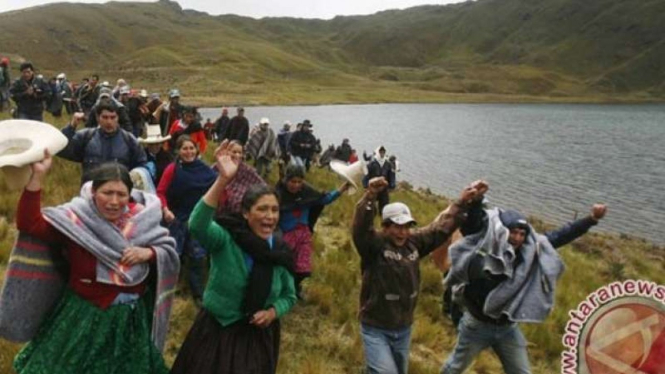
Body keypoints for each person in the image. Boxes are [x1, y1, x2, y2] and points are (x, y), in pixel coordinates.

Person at [1, 154, 179, 374]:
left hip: (129, 319)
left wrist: (149, 253)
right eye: (107, 193)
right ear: (94, 192)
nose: (114, 201)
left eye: (121, 194)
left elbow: (168, 250)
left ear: (129, 195)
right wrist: (37, 176)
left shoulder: (143, 221)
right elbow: (30, 223)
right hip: (83, 315)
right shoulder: (76, 220)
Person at [441, 197, 607, 374]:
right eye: (513, 232)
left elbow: (560, 236)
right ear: (502, 231)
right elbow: (472, 225)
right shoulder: (487, 247)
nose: (517, 238)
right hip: (477, 325)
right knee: (455, 367)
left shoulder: (530, 250)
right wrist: (476, 200)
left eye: (522, 234)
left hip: (507, 328)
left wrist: (591, 219)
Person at [171, 140, 296, 374]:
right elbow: (197, 225)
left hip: (257, 339)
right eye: (262, 209)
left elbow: (290, 295)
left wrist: (272, 312)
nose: (269, 216)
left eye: (274, 210)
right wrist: (223, 180)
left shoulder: (279, 252)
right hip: (216, 332)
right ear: (246, 213)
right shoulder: (226, 239)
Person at [352, 177, 485, 374]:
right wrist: (370, 196)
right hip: (375, 327)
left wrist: (463, 201)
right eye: (397, 226)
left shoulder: (414, 242)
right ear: (385, 226)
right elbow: (361, 229)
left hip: (403, 328)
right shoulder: (373, 246)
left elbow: (440, 229)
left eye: (407, 226)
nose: (402, 232)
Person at [157, 135, 217, 306]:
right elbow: (160, 192)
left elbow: (216, 194)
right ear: (178, 151)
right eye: (185, 148)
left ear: (196, 150)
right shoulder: (172, 169)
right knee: (173, 256)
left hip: (198, 221)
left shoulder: (207, 171)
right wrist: (165, 209)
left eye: (191, 148)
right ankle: (167, 289)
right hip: (176, 219)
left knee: (198, 257)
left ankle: (197, 293)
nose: (188, 152)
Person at [276, 164, 349, 298]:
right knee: (284, 263)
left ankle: (296, 287)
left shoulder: (308, 193)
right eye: (293, 181)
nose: (296, 185)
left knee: (302, 267)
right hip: (284, 236)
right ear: (286, 180)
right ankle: (281, 288)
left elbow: (324, 199)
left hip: (304, 235)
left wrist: (341, 189)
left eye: (299, 181)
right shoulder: (278, 195)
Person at [58, 103, 147, 184]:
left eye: (113, 117)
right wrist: (72, 126)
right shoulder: (86, 137)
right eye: (105, 117)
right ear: (97, 118)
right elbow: (62, 149)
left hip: (118, 194)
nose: (109, 122)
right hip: (91, 194)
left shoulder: (129, 140)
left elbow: (141, 167)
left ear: (118, 118)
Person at [216, 140, 267, 215]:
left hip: (239, 214)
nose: (237, 155)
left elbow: (264, 188)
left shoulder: (248, 171)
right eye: (234, 152)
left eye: (240, 153)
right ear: (227, 152)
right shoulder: (218, 167)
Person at [363, 146, 394, 215]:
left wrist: (392, 186)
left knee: (384, 205)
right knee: (371, 205)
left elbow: (391, 175)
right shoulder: (371, 163)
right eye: (380, 152)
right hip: (373, 188)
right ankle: (371, 218)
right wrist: (365, 185)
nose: (382, 154)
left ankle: (383, 218)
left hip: (384, 188)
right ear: (378, 153)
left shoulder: (388, 164)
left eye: (383, 152)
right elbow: (366, 174)